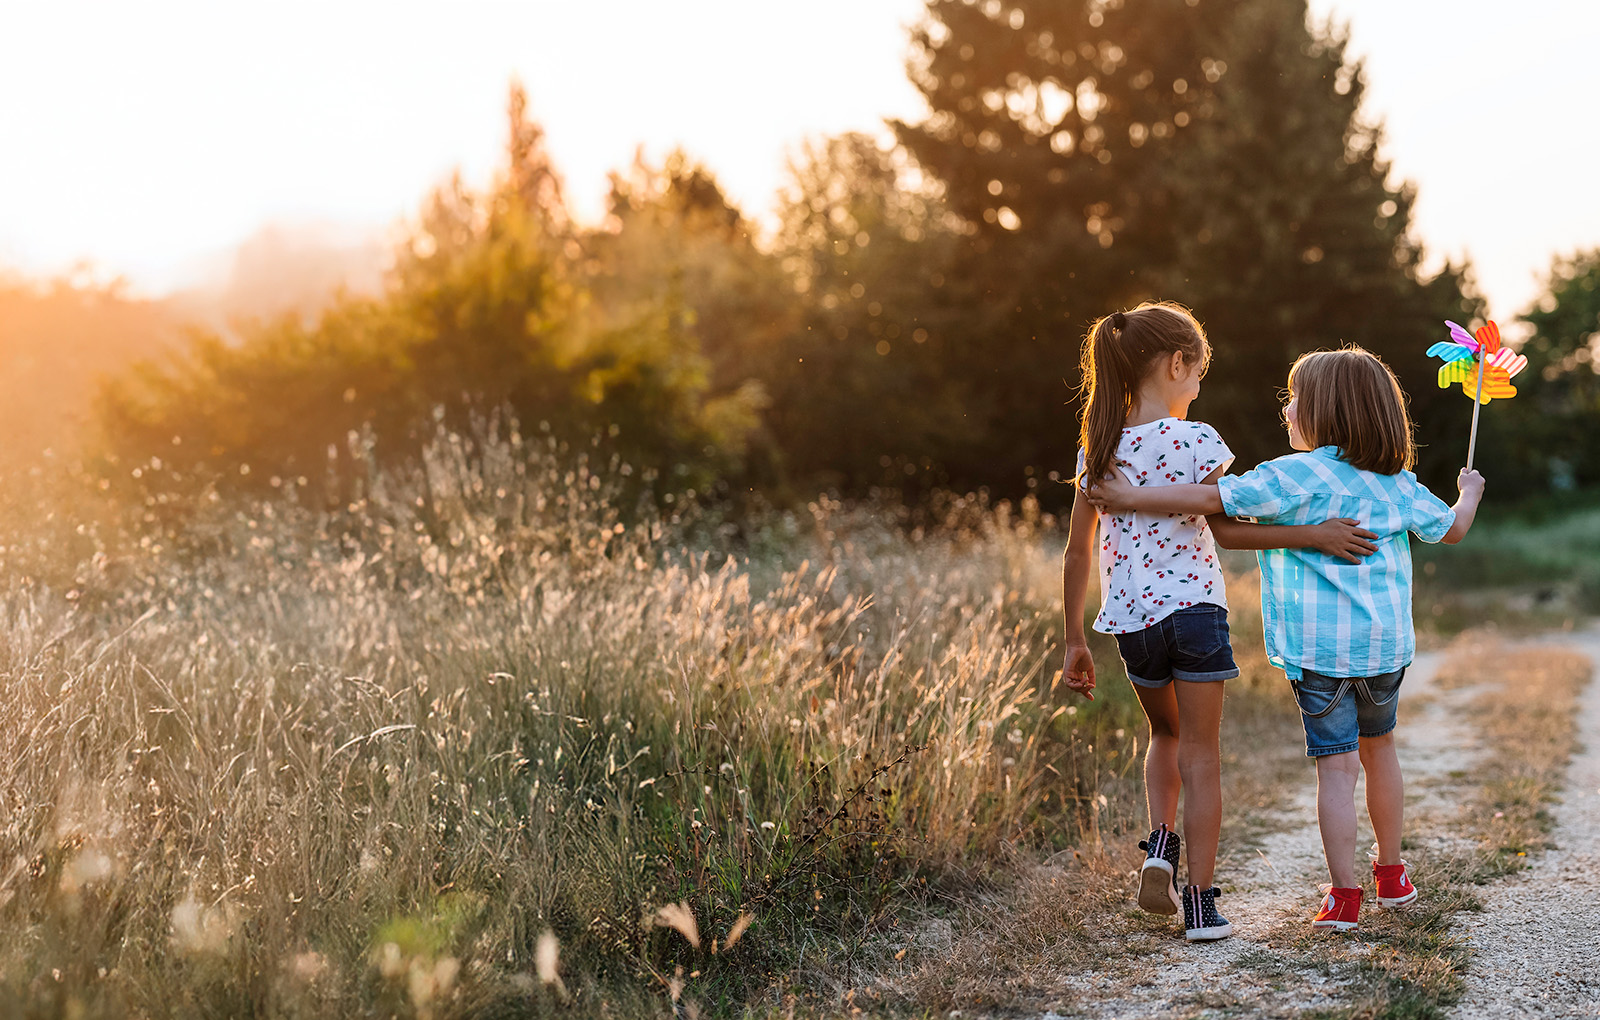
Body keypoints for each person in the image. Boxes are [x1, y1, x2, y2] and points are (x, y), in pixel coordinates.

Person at [1087, 345, 1484, 933]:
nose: (1286, 410)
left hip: (1319, 653)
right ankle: (1393, 875)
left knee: (1336, 770)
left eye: (1294, 399)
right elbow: (1451, 530)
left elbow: (1210, 501)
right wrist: (1468, 491)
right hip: (1384, 651)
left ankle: (1345, 897)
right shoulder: (1398, 485)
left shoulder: (1290, 475)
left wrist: (1128, 499)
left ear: (1327, 411)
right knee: (1382, 753)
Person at [1060, 304, 1381, 943]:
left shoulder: (1096, 448)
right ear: (1177, 365)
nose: (1200, 385)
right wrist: (1314, 535)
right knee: (1203, 756)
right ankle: (1202, 904)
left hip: (1131, 622)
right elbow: (1229, 530)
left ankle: (1159, 848)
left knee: (1165, 738)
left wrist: (1073, 639)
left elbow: (1076, 550)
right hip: (1197, 614)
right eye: (1199, 371)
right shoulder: (1199, 439)